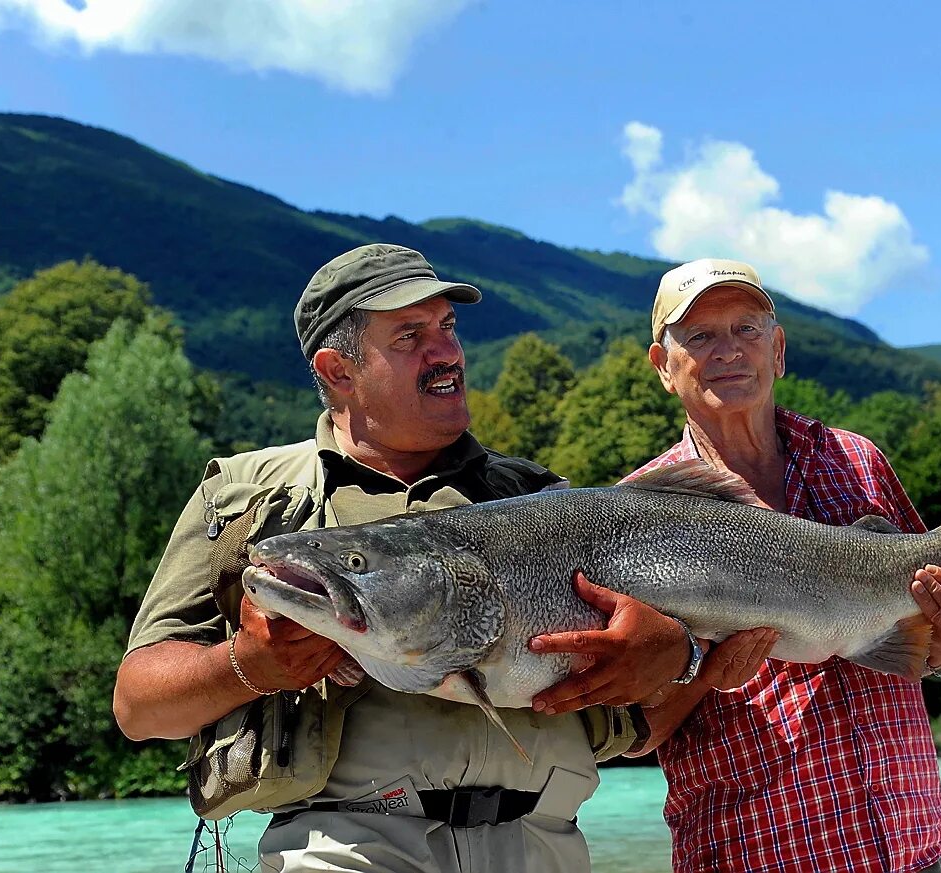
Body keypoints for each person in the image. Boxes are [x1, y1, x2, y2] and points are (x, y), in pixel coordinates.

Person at [112, 243, 699, 873]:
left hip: (545, 844)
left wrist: (679, 657)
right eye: (410, 336)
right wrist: (248, 666)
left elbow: (645, 712)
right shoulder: (245, 500)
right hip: (346, 848)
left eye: (446, 328)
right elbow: (138, 706)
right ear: (339, 370)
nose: (445, 351)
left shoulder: (544, 501)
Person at [532, 258, 941, 873]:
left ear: (779, 350)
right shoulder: (625, 516)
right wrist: (704, 671)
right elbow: (626, 731)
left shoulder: (856, 461)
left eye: (747, 329)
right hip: (757, 853)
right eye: (701, 336)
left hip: (918, 846)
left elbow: (916, 644)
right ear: (664, 367)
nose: (729, 351)